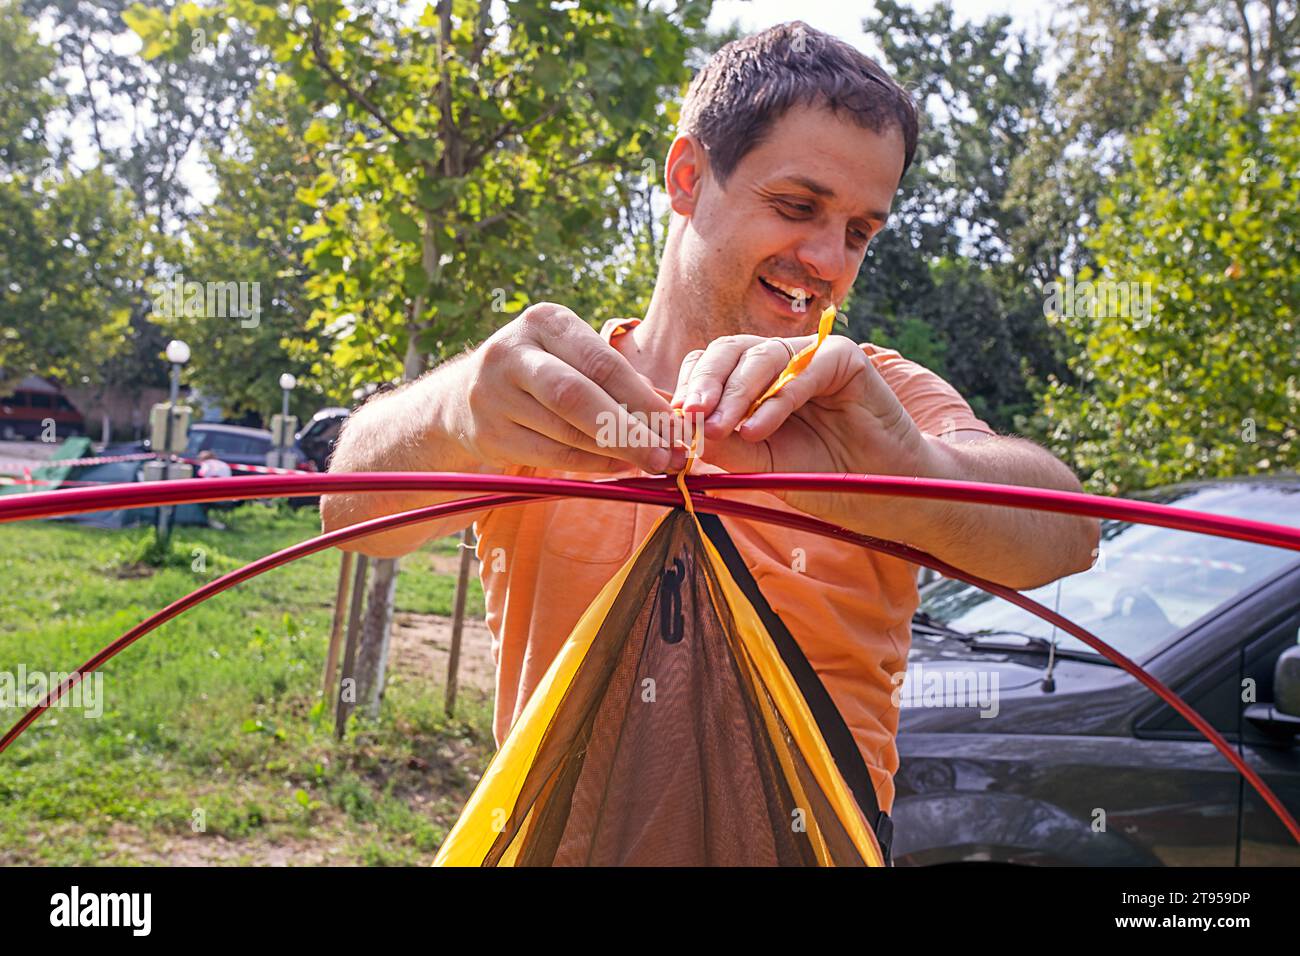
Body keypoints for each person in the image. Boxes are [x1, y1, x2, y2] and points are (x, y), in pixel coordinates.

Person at [321, 22, 1101, 831]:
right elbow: (349, 516)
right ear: (688, 176)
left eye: (862, 232)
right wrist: (449, 413)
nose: (831, 261)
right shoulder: (546, 389)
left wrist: (916, 476)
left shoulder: (872, 401)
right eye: (798, 206)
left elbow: (1069, 537)